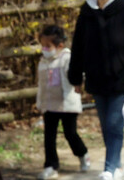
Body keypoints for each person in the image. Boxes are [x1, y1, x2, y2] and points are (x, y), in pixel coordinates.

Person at [68, 0, 124, 180]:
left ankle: (109, 169)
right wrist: (75, 77)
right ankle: (118, 166)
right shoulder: (86, 13)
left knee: (115, 123)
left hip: (121, 78)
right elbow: (78, 46)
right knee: (106, 125)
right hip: (96, 78)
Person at [36, 24, 89, 179]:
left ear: (60, 45)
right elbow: (41, 85)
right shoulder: (43, 62)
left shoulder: (67, 59)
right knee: (49, 136)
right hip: (50, 105)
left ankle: (82, 153)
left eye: (48, 46)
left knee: (70, 133)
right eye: (43, 46)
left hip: (67, 105)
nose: (45, 49)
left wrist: (79, 82)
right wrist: (40, 103)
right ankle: (51, 165)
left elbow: (75, 76)